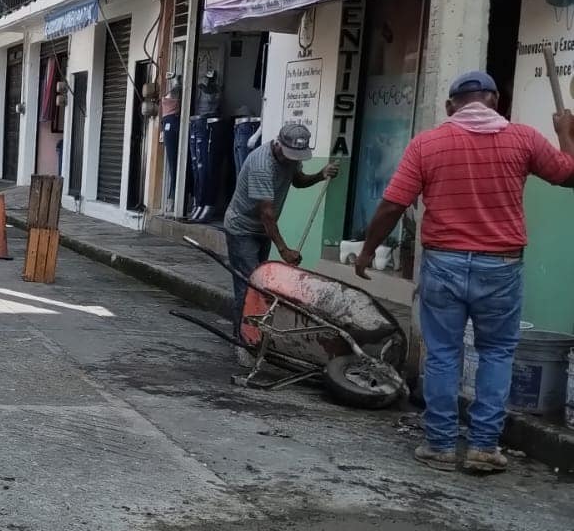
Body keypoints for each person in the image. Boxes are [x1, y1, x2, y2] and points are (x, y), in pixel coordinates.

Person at [355, 71, 574, 474]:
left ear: (450, 106)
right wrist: (566, 133)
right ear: (495, 102)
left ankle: (439, 445)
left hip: (444, 263)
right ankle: (483, 447)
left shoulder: (429, 143)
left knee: (442, 355)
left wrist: (367, 252)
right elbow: (569, 174)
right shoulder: (523, 138)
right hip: (502, 266)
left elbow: (392, 205)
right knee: (497, 353)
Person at [222, 122, 341, 342]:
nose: (292, 159)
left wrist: (320, 174)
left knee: (260, 284)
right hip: (242, 229)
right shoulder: (262, 165)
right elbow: (266, 214)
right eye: (290, 154)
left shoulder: (291, 160)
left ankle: (255, 335)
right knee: (249, 285)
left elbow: (298, 181)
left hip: (263, 231)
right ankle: (242, 339)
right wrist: (284, 250)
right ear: (278, 143)